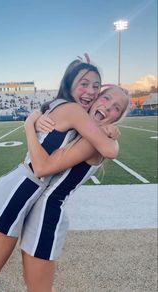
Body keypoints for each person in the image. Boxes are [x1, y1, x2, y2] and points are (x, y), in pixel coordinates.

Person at [0, 57, 121, 283]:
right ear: (69, 83)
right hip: (22, 189)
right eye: (83, 83)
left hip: (18, 185)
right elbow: (107, 150)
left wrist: (32, 121)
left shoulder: (62, 107)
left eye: (96, 86)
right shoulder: (74, 110)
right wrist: (29, 125)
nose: (91, 91)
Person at [20, 85, 130, 291]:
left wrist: (29, 126)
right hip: (35, 211)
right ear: (96, 99)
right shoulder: (82, 128)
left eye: (116, 108)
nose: (108, 107)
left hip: (46, 215)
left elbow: (42, 169)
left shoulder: (95, 141)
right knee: (31, 282)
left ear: (117, 118)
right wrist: (36, 116)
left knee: (38, 289)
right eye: (105, 99)